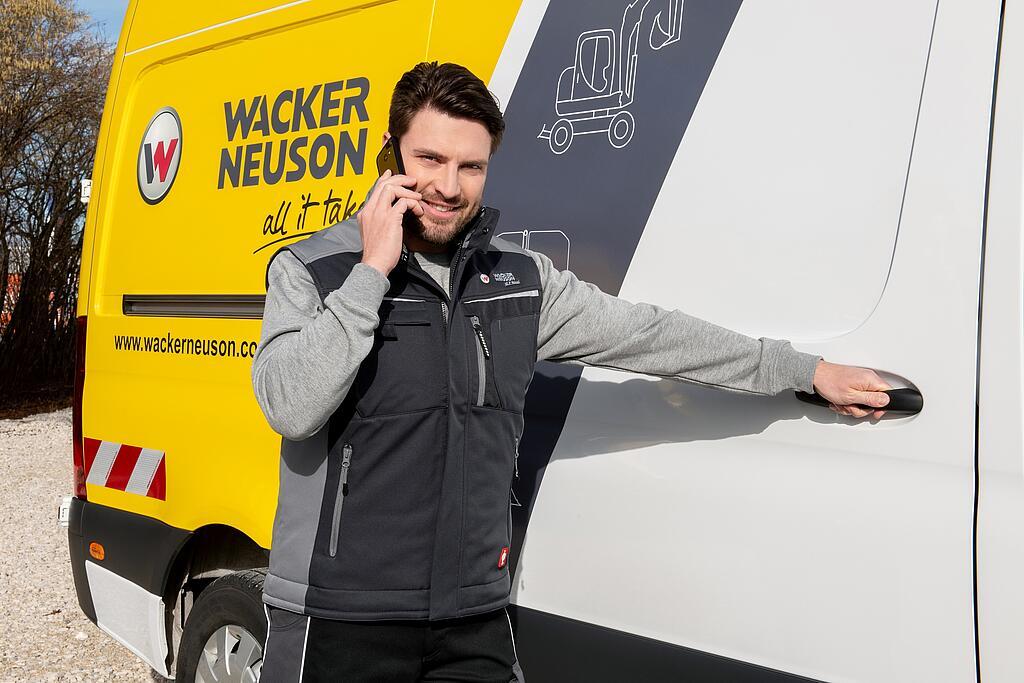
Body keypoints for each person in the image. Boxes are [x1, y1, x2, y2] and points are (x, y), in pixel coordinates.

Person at [251, 61, 890, 682]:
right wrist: (371, 271)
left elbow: (649, 335)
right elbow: (290, 405)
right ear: (391, 153)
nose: (449, 186)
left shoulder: (519, 280)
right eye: (430, 159)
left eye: (471, 166)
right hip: (338, 617)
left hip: (470, 620)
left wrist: (801, 369)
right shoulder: (312, 271)